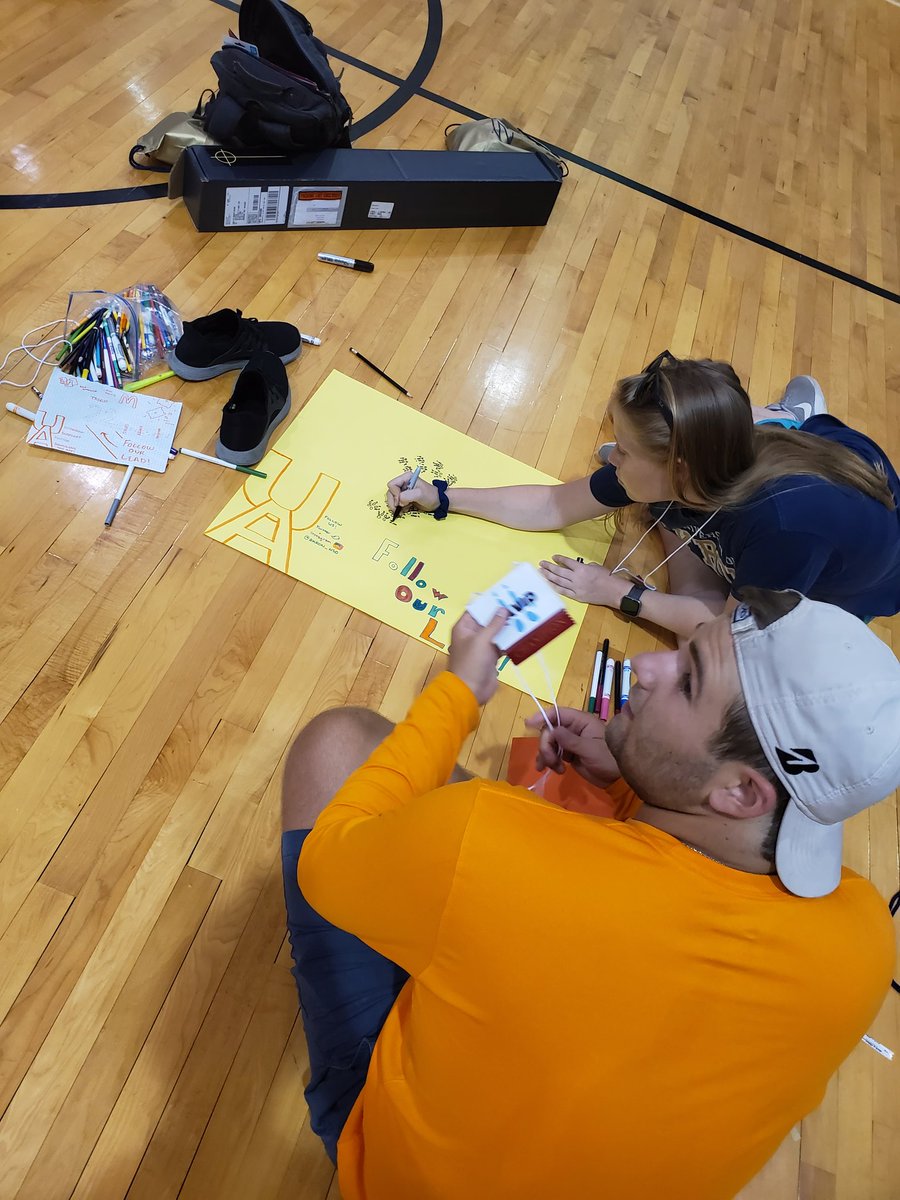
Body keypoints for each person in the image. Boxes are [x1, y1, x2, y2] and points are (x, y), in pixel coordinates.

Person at [281, 589, 899, 1200]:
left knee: (338, 740)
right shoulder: (866, 940)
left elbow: (327, 863)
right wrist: (636, 781)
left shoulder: (482, 838)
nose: (645, 666)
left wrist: (458, 695)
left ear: (739, 792)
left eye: (688, 680)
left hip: (394, 1177)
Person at [385, 356, 900, 639]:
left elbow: (725, 631)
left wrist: (618, 593)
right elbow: (555, 505)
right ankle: (778, 419)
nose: (610, 458)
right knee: (659, 514)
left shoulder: (784, 527)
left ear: (678, 466)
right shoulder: (693, 463)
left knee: (702, 648)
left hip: (852, 573)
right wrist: (442, 497)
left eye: (626, 451)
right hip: (783, 461)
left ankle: (783, 421)